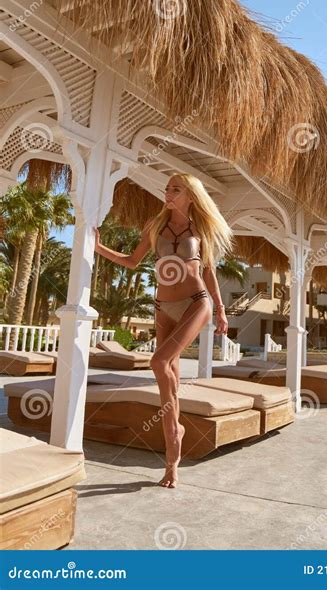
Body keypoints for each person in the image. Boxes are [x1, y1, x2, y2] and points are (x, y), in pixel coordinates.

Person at [94, 172, 233, 488]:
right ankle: (173, 454)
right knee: (167, 376)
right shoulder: (155, 227)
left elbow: (208, 272)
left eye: (176, 189)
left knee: (159, 362)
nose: (168, 193)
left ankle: (173, 438)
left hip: (195, 303)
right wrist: (99, 248)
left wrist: (221, 309)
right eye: (167, 188)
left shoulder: (200, 230)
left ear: (190, 195)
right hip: (162, 306)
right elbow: (131, 261)